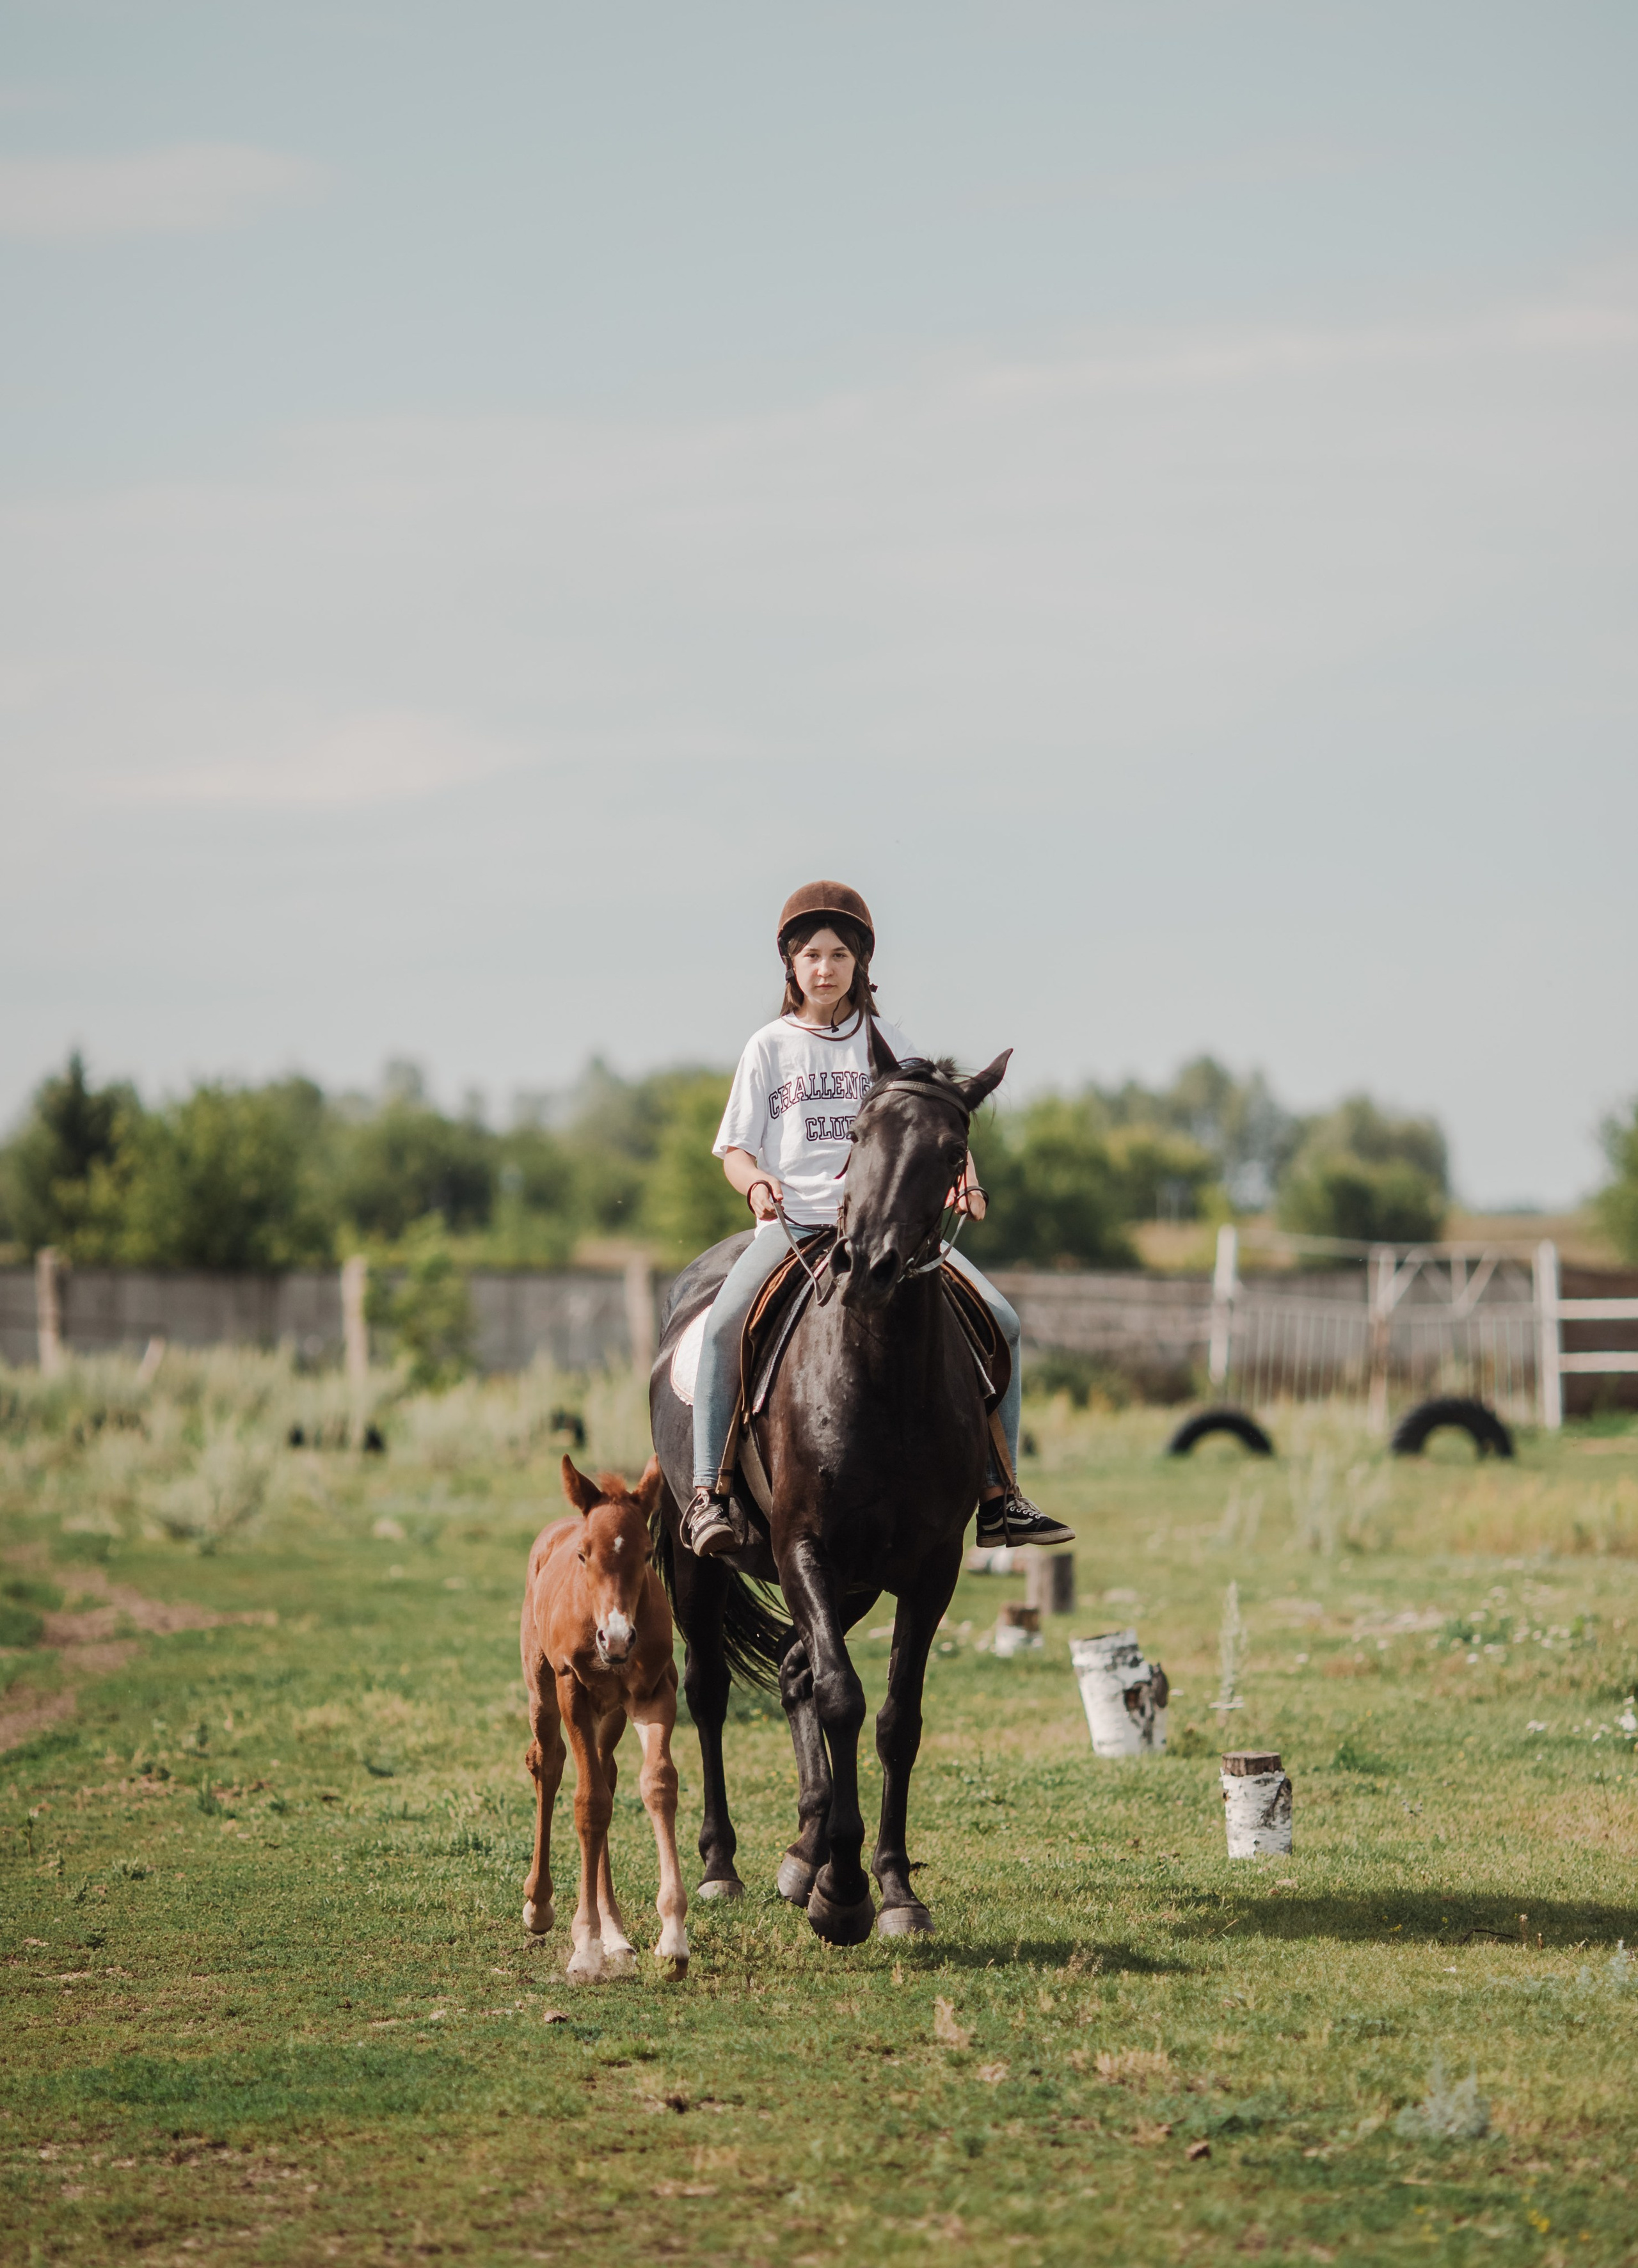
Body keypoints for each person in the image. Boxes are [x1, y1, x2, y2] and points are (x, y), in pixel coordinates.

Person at [681, 880, 1076, 1560]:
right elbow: (737, 1151)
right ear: (791, 966)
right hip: (797, 1226)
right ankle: (707, 1494)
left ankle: (999, 1490)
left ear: (860, 963)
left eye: (839, 954)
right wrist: (756, 1185)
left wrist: (965, 1179)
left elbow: (936, 1120)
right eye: (811, 956)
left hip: (889, 1229)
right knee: (721, 1325)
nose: (825, 968)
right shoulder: (768, 1047)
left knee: (1003, 1321)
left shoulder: (888, 1040)